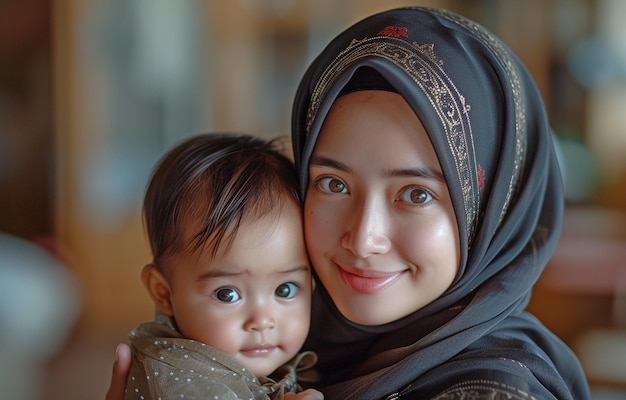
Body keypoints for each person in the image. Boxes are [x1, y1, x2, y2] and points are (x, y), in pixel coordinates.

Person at [108, 7, 591, 399]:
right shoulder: (275, 339)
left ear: (489, 213)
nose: (362, 238)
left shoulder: (495, 389)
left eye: (417, 194)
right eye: (333, 184)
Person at [123, 133, 322, 400]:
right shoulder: (176, 376)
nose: (262, 321)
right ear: (163, 293)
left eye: (285, 289)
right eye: (227, 294)